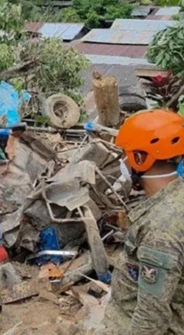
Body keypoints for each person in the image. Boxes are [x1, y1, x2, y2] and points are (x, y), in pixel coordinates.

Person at [97, 109, 184, 335]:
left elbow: (150, 316)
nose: (123, 162)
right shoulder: (176, 198)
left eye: (124, 154)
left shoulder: (160, 229)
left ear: (139, 158)